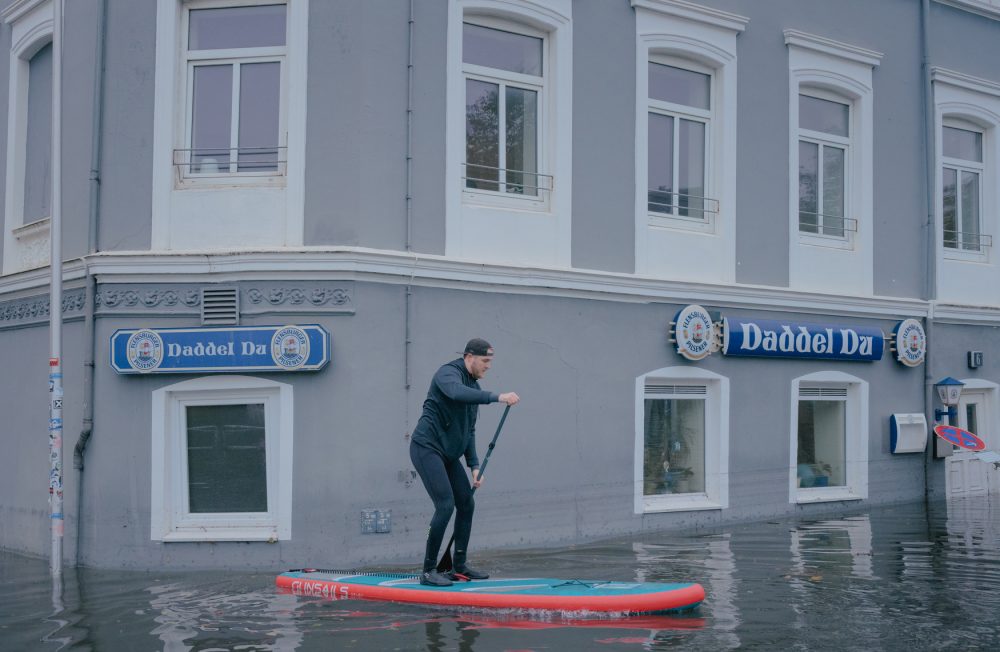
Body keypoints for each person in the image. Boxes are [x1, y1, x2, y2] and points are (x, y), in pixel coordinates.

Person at [409, 338, 519, 586]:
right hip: (426, 448)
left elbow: (469, 431)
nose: (489, 366)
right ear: (469, 357)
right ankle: (428, 570)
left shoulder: (472, 386)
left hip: (449, 454)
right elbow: (456, 393)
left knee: (466, 504)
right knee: (445, 505)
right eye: (485, 361)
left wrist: (475, 467)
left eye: (490, 361)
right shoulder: (448, 374)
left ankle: (459, 566)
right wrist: (497, 396)